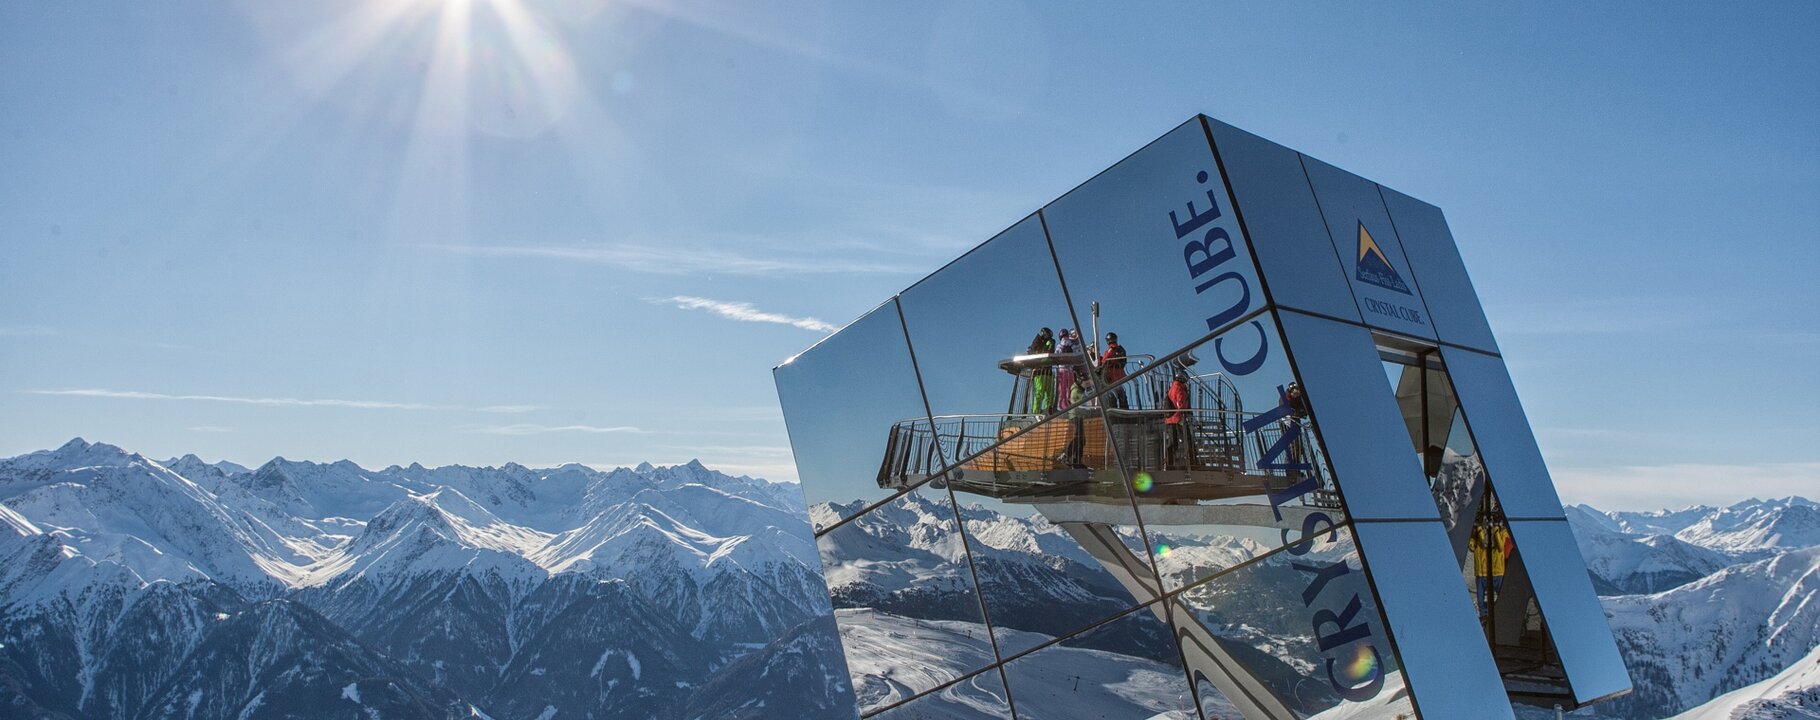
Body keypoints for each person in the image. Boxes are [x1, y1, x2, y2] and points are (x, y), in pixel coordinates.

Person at [1470, 521, 1512, 618]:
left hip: (1497, 571)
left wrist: (1495, 529)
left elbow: (1500, 546)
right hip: (1481, 572)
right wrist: (1477, 531)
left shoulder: (1502, 532)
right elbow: (1474, 546)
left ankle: (1503, 616)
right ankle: (1484, 617)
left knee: (1502, 598)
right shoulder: (1478, 534)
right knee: (1481, 601)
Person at [1162, 370, 1195, 470]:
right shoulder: (1179, 388)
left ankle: (1169, 463)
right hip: (1178, 419)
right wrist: (1183, 415)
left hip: (1172, 420)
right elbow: (1180, 404)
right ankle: (1192, 462)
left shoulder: (1173, 387)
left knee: (1173, 442)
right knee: (1188, 441)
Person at [1026, 328, 1055, 415]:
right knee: (1039, 393)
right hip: (1040, 372)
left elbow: (1049, 352)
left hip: (1047, 372)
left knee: (1049, 393)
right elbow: (1039, 353)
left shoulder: (1048, 342)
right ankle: (1036, 413)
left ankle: (1048, 410)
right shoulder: (1037, 342)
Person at [1100, 332, 1128, 410]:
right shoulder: (1121, 349)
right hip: (1120, 374)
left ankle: (1114, 409)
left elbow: (1105, 361)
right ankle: (1125, 408)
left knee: (1112, 394)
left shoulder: (1111, 350)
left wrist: (1100, 366)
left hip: (1112, 375)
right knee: (1121, 393)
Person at [1054, 329, 1077, 412]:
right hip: (1070, 370)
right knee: (1070, 388)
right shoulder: (1072, 344)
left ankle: (1062, 405)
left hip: (1062, 370)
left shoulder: (1059, 346)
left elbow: (1055, 356)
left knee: (1062, 389)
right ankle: (1071, 404)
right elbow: (1076, 354)